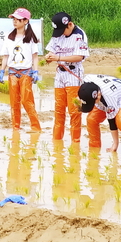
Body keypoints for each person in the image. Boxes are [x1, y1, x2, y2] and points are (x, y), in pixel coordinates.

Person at [77, 74, 121, 158]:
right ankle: (94, 148)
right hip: (107, 92)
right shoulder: (86, 80)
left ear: (98, 96)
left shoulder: (109, 98)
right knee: (91, 119)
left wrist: (115, 144)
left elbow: (112, 122)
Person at [45, 12, 89, 143]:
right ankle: (56, 140)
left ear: (69, 24)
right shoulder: (58, 34)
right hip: (60, 74)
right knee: (59, 109)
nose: (61, 34)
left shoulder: (79, 35)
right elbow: (51, 50)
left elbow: (79, 57)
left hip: (73, 75)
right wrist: (49, 57)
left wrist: (58, 58)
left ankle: (75, 142)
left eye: (62, 30)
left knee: (74, 111)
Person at [0, 8, 41, 132]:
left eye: (18, 19)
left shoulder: (31, 39)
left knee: (27, 100)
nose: (15, 21)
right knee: (14, 102)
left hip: (26, 73)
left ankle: (35, 127)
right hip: (12, 72)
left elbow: (34, 57)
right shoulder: (9, 38)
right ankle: (15, 127)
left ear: (25, 21)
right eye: (14, 19)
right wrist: (2, 71)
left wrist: (36, 71)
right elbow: (5, 56)